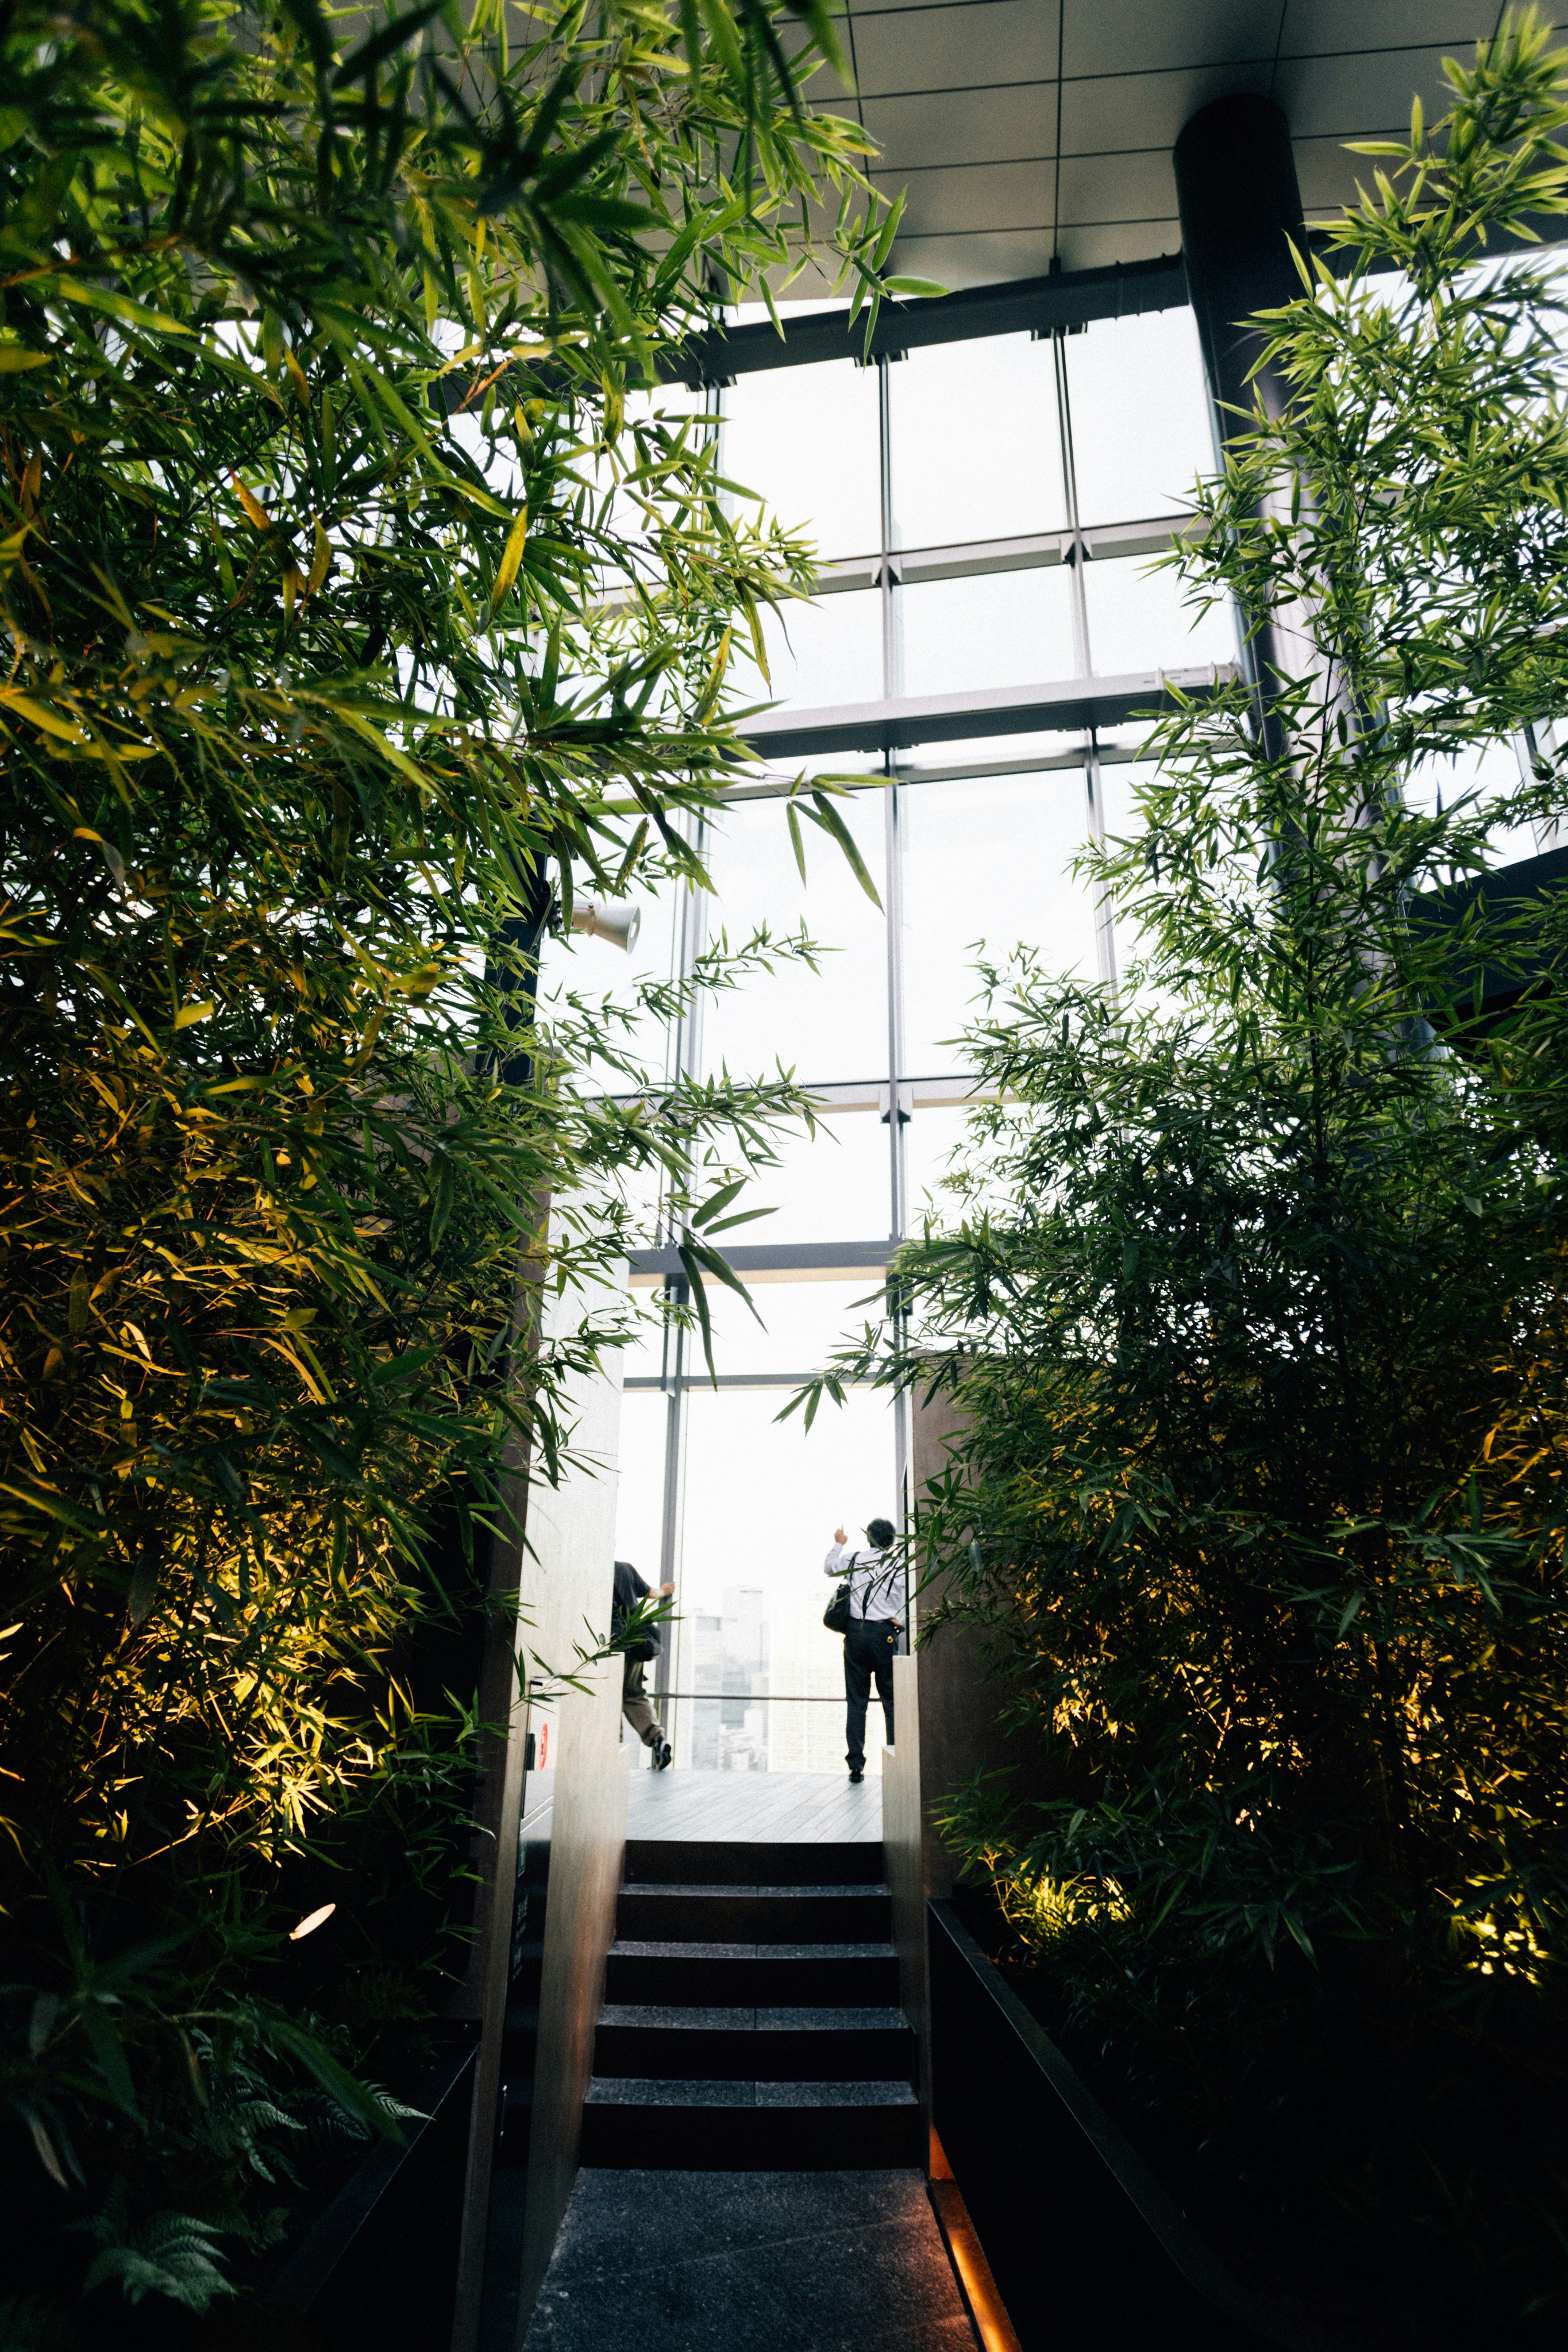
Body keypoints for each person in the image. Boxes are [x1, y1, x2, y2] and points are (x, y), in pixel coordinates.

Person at [823, 1518, 900, 1784]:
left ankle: (856, 1766)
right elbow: (903, 1604)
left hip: (856, 1634)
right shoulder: (897, 1565)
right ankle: (897, 1759)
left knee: (857, 1701)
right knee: (891, 1701)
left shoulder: (854, 1559)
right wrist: (894, 1619)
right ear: (892, 1540)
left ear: (868, 1538)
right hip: (884, 1637)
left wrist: (839, 1544)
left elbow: (829, 1567)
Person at [613, 1558, 673, 1770]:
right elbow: (651, 1593)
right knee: (634, 1695)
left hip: (610, 1645)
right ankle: (657, 1739)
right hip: (635, 1641)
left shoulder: (597, 1569)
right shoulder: (625, 1569)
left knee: (610, 1701)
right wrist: (665, 1592)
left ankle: (613, 1753)